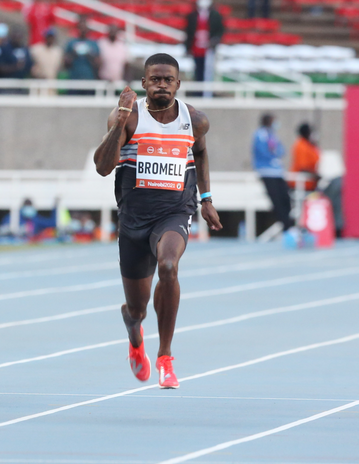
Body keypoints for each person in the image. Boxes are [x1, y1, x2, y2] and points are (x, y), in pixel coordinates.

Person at [93, 53, 222, 389]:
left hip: (175, 211)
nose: (162, 85)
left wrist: (206, 200)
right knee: (138, 308)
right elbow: (103, 166)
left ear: (178, 84)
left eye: (168, 79)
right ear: (144, 83)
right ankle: (135, 330)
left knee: (169, 267)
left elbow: (201, 152)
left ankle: (165, 357)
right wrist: (120, 122)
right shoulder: (129, 118)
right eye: (155, 79)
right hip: (134, 219)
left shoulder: (194, 119)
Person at [253, 113, 295, 234]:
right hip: (267, 172)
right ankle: (286, 226)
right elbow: (264, 151)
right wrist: (273, 153)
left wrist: (274, 152)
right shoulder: (260, 135)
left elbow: (281, 150)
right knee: (276, 201)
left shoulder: (272, 135)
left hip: (277, 172)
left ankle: (289, 224)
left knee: (286, 198)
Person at [184, 0, 223, 85]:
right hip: (196, 48)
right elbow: (189, 33)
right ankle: (198, 91)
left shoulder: (215, 15)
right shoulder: (192, 16)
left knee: (209, 70)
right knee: (198, 69)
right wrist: (187, 48)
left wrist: (214, 41)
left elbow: (219, 30)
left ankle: (209, 92)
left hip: (209, 49)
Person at [63, 17, 100, 83]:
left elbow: (98, 64)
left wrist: (90, 55)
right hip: (74, 78)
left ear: (87, 28)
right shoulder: (71, 43)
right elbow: (65, 64)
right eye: (81, 27)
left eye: (84, 27)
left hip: (89, 78)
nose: (82, 30)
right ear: (78, 28)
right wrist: (73, 54)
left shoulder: (93, 44)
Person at [288, 122, 320, 192]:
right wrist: (315, 175)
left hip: (311, 182)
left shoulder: (309, 145)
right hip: (302, 182)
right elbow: (303, 167)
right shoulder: (301, 145)